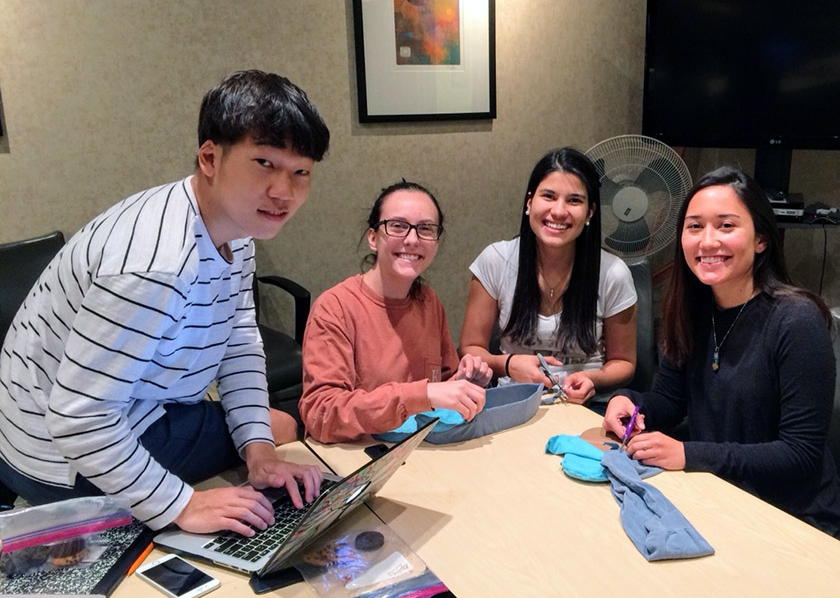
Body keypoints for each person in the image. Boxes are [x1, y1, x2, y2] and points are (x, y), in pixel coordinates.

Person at [0, 70, 330, 537]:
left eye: (301, 172)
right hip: (55, 458)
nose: (284, 192)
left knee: (267, 439)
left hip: (128, 409)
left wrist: (259, 452)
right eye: (263, 163)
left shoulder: (236, 226)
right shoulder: (154, 264)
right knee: (282, 429)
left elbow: (237, 340)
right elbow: (79, 420)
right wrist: (183, 505)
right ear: (210, 158)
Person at [602, 166, 840, 538]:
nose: (707, 241)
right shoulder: (692, 307)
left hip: (795, 519)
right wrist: (631, 403)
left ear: (761, 239)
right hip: (719, 497)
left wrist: (690, 455)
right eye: (695, 226)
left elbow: (800, 454)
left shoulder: (797, 321)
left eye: (726, 226)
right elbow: (670, 400)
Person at [300, 181, 491, 443]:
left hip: (423, 454)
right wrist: (421, 396)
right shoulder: (335, 307)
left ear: (436, 242)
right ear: (373, 238)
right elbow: (321, 415)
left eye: (425, 229)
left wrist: (462, 383)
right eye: (398, 226)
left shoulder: (428, 301)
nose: (412, 239)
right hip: (362, 459)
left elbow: (441, 382)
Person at [459, 147, 637, 404]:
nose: (559, 211)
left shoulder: (613, 272)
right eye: (549, 196)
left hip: (587, 406)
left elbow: (624, 362)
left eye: (574, 200)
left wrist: (592, 380)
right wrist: (508, 364)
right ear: (529, 203)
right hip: (514, 400)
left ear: (590, 212)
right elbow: (471, 349)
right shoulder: (495, 259)